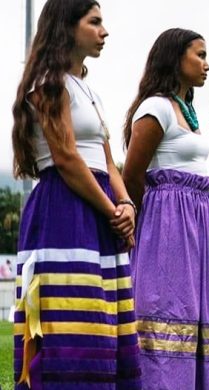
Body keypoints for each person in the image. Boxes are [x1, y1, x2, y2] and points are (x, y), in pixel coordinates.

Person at [11, 1, 141, 387]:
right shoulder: (48, 83)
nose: (105, 31)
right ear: (68, 26)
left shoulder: (89, 90)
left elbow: (109, 162)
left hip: (100, 207)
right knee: (70, 324)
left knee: (105, 321)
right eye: (95, 22)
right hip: (64, 210)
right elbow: (66, 158)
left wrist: (127, 205)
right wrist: (111, 211)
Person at [122, 28, 209, 388]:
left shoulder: (186, 110)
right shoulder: (155, 107)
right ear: (175, 57)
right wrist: (149, 226)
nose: (207, 64)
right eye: (199, 55)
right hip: (168, 222)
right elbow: (132, 175)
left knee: (200, 312)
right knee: (170, 310)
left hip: (198, 221)